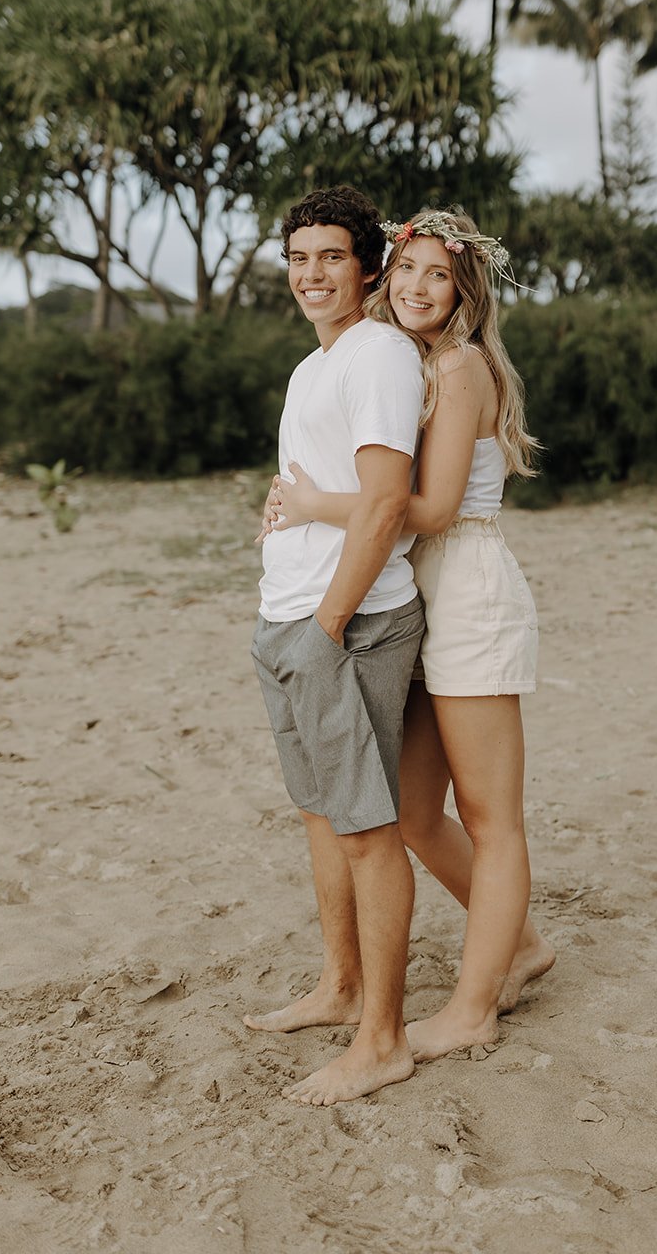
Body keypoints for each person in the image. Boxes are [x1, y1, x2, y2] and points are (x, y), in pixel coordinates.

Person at [269, 208, 554, 1061]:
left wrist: (310, 501)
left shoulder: (461, 366)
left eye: (440, 275)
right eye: (409, 271)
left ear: (464, 290)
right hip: (419, 591)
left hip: (465, 586)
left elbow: (423, 509)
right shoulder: (405, 364)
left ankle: (472, 1007)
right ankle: (525, 946)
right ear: (385, 278)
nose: (419, 288)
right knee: (414, 816)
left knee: (490, 816)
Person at [246, 185, 426, 1106]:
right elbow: (313, 486)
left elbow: (388, 503)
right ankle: (341, 986)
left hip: (348, 625)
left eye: (329, 258)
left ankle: (384, 1038)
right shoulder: (311, 367)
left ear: (366, 268)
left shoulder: (379, 355)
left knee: (366, 829)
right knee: (322, 815)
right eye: (298, 258)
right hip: (292, 617)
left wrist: (323, 628)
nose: (312, 274)